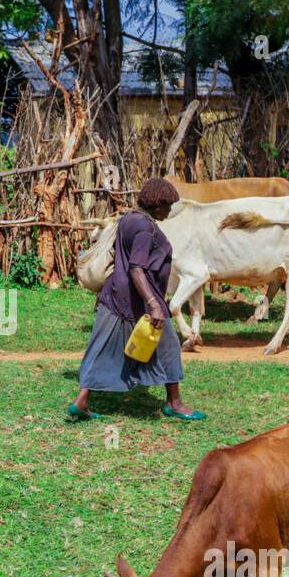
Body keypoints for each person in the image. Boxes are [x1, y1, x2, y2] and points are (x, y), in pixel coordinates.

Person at [67, 177, 205, 422]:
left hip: (113, 297)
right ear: (157, 203)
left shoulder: (128, 218)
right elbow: (136, 268)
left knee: (99, 348)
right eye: (168, 205)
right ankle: (174, 403)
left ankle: (81, 401)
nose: (170, 210)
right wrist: (154, 304)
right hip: (140, 301)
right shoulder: (145, 228)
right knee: (170, 348)